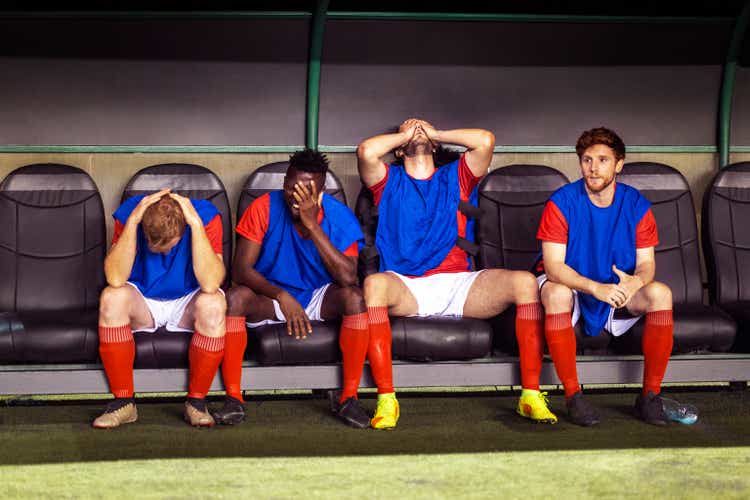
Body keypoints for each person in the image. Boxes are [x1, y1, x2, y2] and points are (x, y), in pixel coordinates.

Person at [357, 118, 556, 430]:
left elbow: (486, 140)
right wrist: (407, 135)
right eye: (408, 130)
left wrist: (434, 133)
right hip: (406, 285)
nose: (417, 131)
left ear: (436, 144)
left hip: (458, 284)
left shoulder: (456, 177)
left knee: (525, 282)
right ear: (397, 150)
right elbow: (367, 151)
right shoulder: (387, 181)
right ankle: (386, 399)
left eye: (423, 129)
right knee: (373, 285)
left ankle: (530, 394)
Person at [215, 149, 370, 428]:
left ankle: (349, 398)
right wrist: (281, 296)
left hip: (318, 295)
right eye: (290, 186)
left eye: (306, 190)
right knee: (235, 297)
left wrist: (312, 224)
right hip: (270, 294)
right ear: (284, 183)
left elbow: (348, 277)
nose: (295, 195)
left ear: (321, 192)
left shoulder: (339, 216)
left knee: (355, 300)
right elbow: (240, 271)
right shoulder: (263, 207)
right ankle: (233, 399)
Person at [536, 127, 673, 426]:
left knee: (660, 293)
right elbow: (553, 267)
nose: (593, 168)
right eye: (586, 160)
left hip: (616, 287)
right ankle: (573, 396)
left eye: (602, 160)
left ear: (619, 164)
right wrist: (594, 288)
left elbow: (646, 265)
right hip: (572, 283)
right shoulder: (561, 202)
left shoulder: (636, 205)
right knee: (555, 292)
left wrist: (634, 283)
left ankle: (649, 396)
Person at [94, 190, 227, 428]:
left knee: (214, 303)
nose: (161, 250)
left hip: (187, 299)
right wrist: (134, 221)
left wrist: (195, 225)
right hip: (144, 299)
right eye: (153, 243)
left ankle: (196, 403)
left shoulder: (205, 217)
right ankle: (124, 403)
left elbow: (211, 283)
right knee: (111, 298)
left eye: (168, 245)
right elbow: (114, 277)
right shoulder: (130, 215)